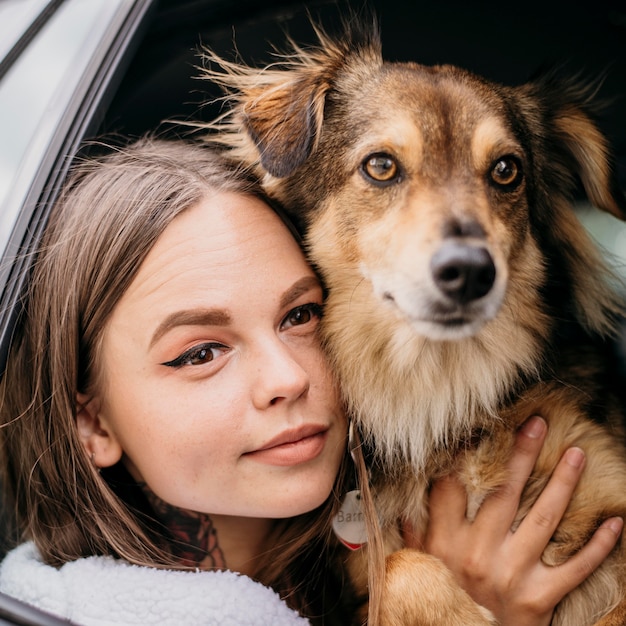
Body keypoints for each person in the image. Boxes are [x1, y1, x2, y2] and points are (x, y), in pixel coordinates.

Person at [0, 138, 619, 626]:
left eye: (301, 316)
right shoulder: (54, 613)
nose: (288, 377)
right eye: (200, 352)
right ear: (92, 423)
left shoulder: (369, 534)